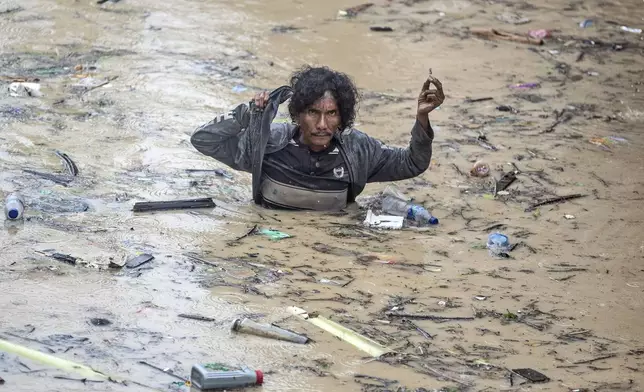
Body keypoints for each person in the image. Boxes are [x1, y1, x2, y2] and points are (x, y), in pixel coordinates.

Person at [190, 66, 445, 211]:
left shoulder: (358, 150)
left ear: (342, 116)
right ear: (298, 114)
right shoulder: (268, 143)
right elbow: (203, 140)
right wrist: (247, 114)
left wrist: (422, 118)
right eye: (313, 112)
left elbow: (413, 163)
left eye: (331, 114)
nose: (322, 125)